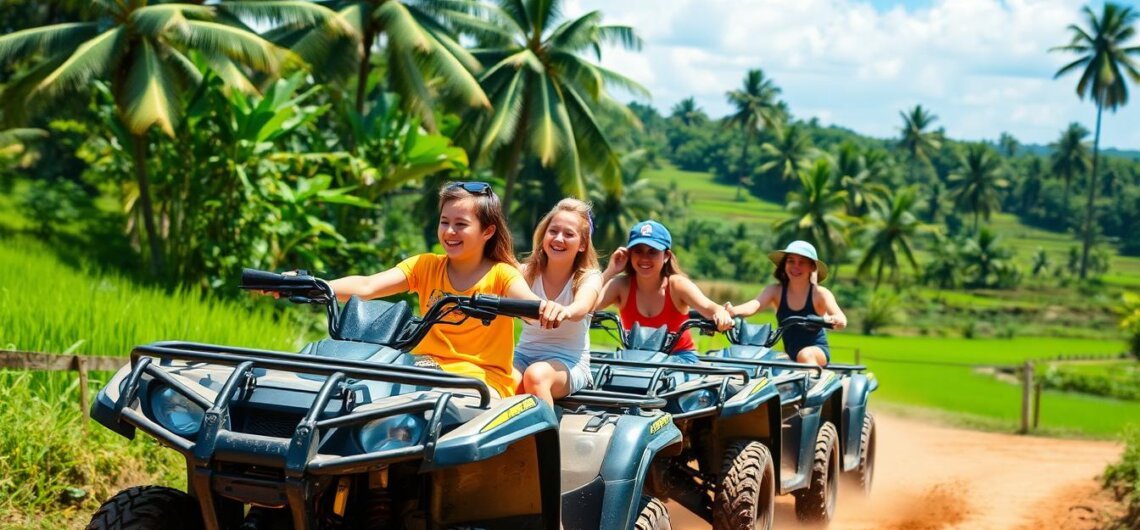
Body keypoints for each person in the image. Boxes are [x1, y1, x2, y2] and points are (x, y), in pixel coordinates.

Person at [321, 182, 566, 398]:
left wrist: (545, 308)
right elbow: (367, 286)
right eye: (444, 222)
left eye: (461, 224)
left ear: (488, 231)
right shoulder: (425, 265)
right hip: (423, 369)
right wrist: (315, 286)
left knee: (444, 405)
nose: (449, 232)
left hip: (481, 381)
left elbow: (527, 301)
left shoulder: (502, 274)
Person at [595, 220, 733, 363]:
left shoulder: (677, 285)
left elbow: (709, 307)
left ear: (666, 256)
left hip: (678, 360)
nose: (644, 258)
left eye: (652, 252)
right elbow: (586, 307)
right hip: (635, 358)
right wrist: (610, 271)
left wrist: (721, 313)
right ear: (629, 254)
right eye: (638, 251)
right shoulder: (620, 285)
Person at [513, 199, 603, 404]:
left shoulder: (589, 277)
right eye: (553, 231)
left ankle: (549, 437)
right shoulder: (525, 273)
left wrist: (565, 311)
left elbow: (583, 306)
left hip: (569, 363)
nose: (559, 239)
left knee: (536, 376)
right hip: (523, 356)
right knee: (501, 380)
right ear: (543, 235)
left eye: (569, 234)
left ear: (582, 244)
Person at [725, 240, 847, 366]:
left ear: (812, 267)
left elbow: (841, 319)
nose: (796, 266)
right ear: (784, 264)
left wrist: (833, 320)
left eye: (802, 262)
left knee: (805, 355)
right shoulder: (775, 291)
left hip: (815, 351)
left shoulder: (820, 293)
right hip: (789, 353)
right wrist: (732, 311)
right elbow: (755, 305)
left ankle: (815, 380)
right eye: (791, 261)